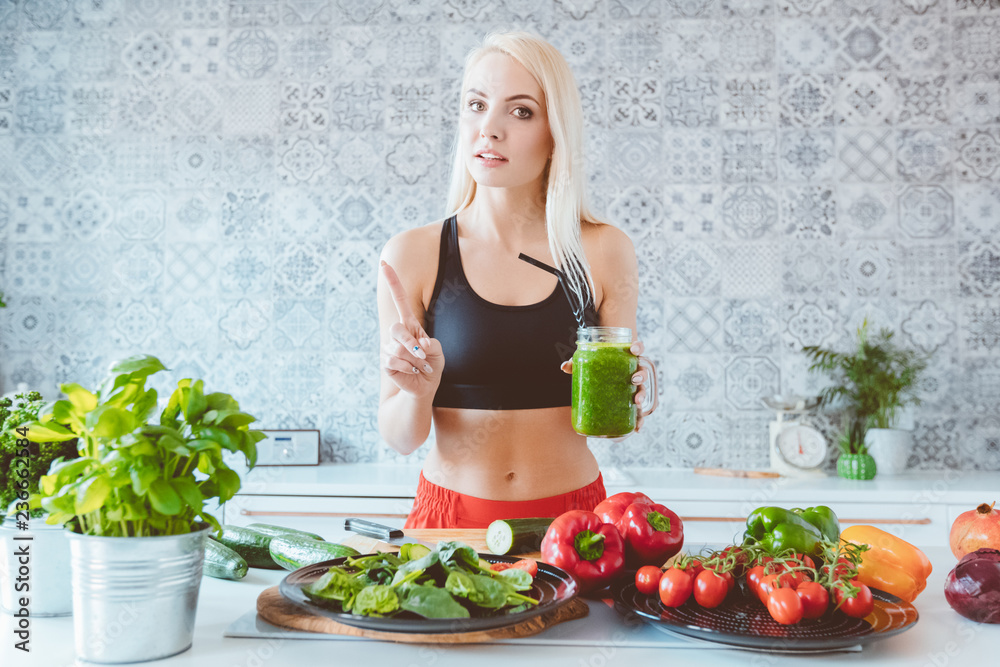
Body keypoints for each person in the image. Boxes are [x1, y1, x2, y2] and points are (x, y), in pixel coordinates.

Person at [376, 31, 655, 529]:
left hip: (577, 524)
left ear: (556, 135)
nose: (490, 128)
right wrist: (418, 391)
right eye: (477, 105)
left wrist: (631, 395)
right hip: (452, 523)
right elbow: (400, 437)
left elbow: (615, 429)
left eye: (521, 111)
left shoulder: (604, 250)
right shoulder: (413, 255)